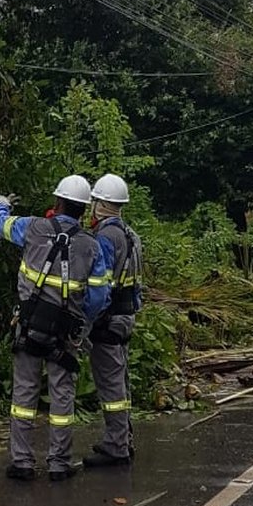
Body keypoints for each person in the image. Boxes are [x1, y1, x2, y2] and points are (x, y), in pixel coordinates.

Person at [0, 176, 109, 482]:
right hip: (65, 334)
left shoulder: (33, 227)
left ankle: (22, 463)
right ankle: (59, 463)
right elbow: (98, 298)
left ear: (57, 203)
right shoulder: (92, 246)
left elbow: (1, 224)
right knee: (62, 398)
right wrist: (81, 323)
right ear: (84, 209)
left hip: (29, 327)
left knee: (24, 395)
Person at [85, 174, 143, 469]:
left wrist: (87, 321)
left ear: (100, 204)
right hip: (125, 316)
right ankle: (123, 438)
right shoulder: (131, 235)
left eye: (94, 201)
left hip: (108, 320)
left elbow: (100, 287)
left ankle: (116, 446)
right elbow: (136, 285)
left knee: (111, 387)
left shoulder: (106, 238)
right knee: (121, 381)